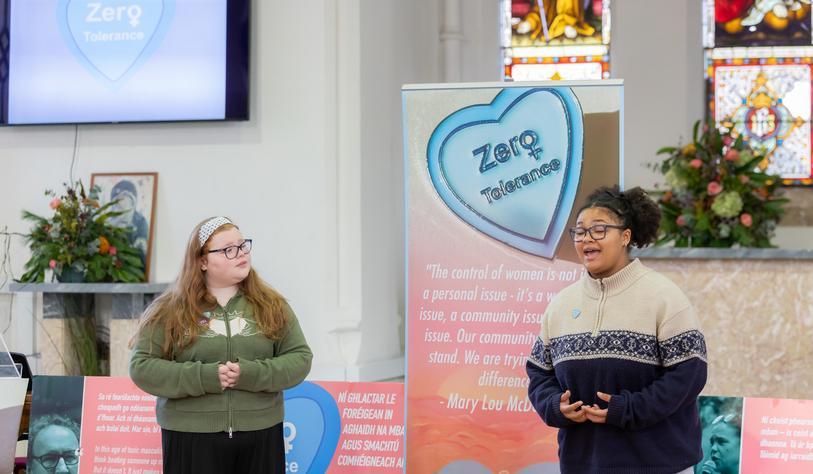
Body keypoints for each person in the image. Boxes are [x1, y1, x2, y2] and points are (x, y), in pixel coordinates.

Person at [526, 186, 708, 473]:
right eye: (580, 231)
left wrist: (629, 409)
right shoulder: (560, 304)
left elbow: (688, 375)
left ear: (625, 236)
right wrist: (552, 405)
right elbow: (539, 373)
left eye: (599, 230)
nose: (587, 238)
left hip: (659, 464)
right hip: (582, 464)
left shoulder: (664, 296)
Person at [129, 216, 312, 474]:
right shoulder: (169, 309)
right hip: (189, 436)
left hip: (261, 433)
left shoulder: (272, 305)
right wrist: (206, 376)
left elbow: (300, 358)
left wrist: (249, 374)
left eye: (242, 245)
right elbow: (142, 367)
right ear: (202, 261)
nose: (240, 254)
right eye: (228, 249)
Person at [108, 179, 149, 267]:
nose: (124, 215)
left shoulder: (141, 222)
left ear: (133, 205)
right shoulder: (108, 221)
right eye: (118, 206)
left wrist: (142, 245)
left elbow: (143, 254)